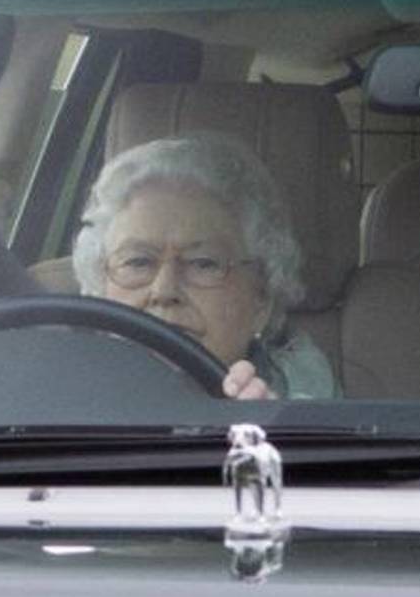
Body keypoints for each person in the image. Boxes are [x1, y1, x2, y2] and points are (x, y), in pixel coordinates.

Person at [73, 134, 340, 400]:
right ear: (100, 288)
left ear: (261, 299)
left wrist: (271, 433)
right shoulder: (52, 384)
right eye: (138, 262)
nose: (164, 291)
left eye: (203, 264)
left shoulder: (306, 402)